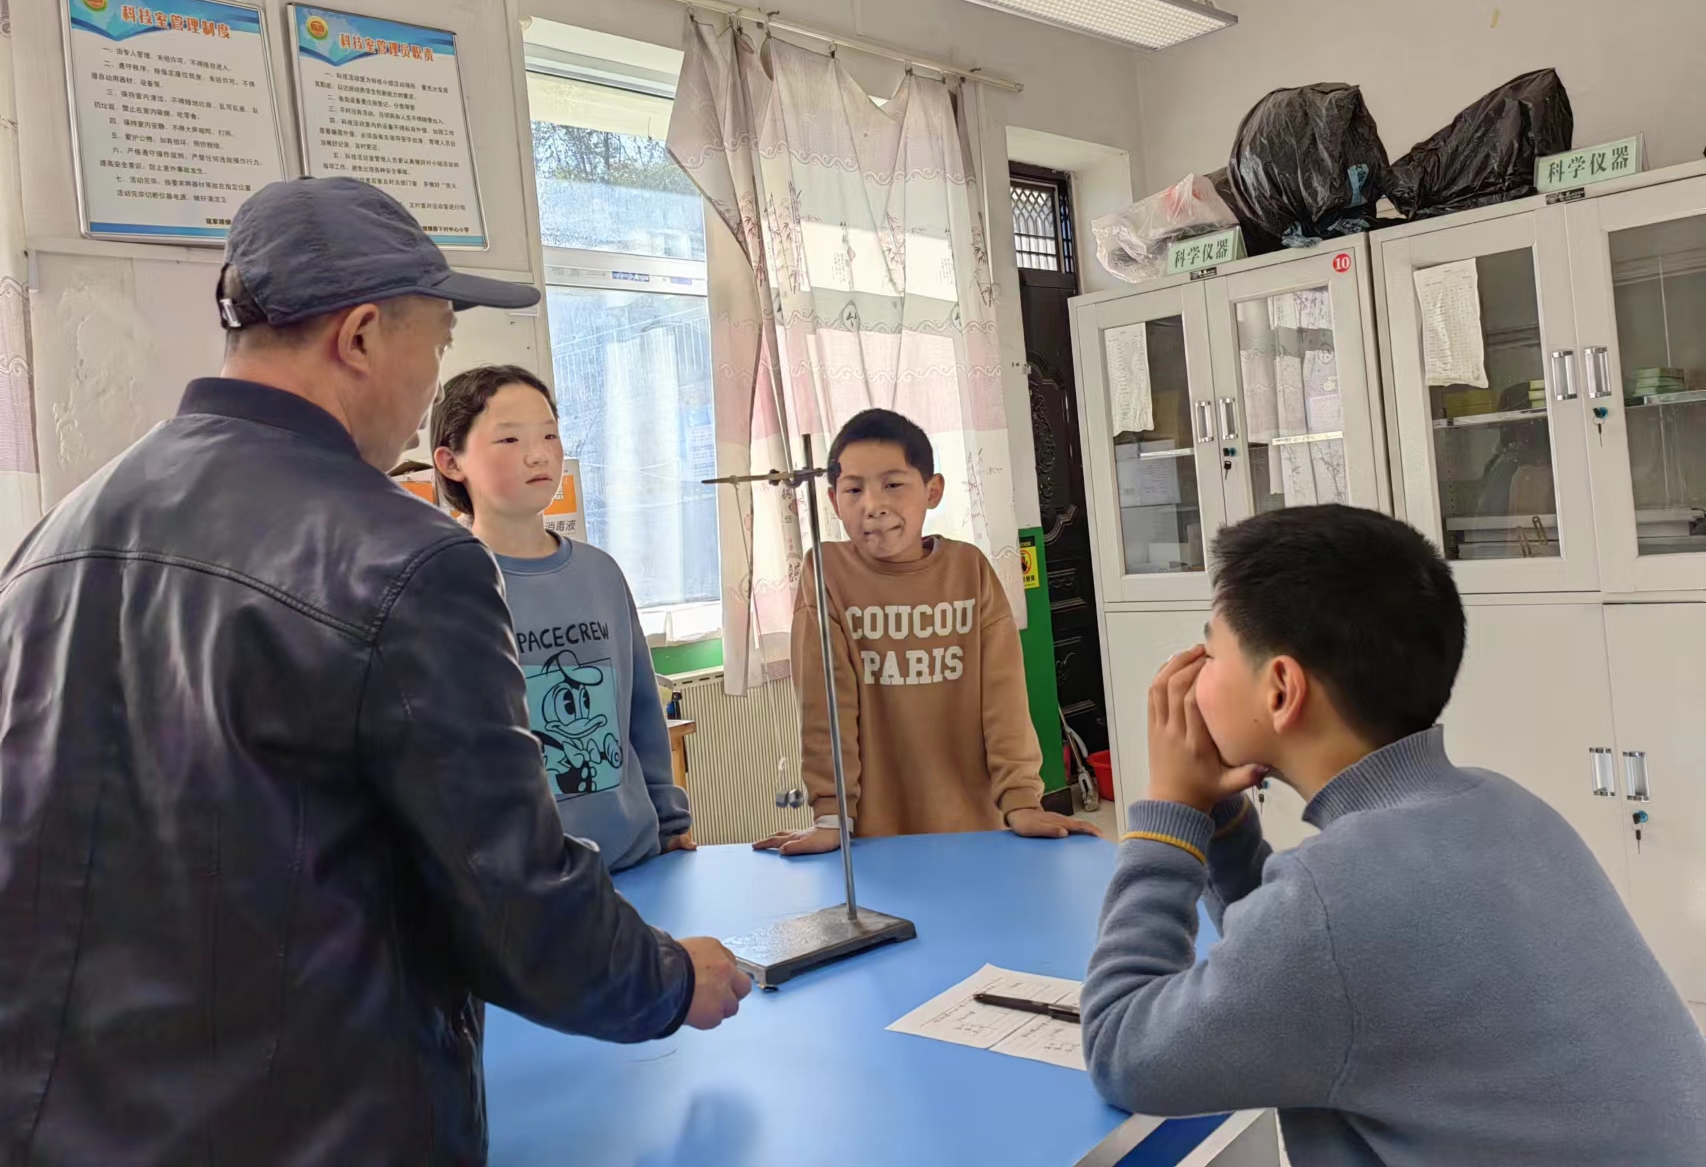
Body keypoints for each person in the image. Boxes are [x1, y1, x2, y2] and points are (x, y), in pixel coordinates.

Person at [0, 178, 749, 1167]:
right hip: (310, 1121)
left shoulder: (58, 535)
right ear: (359, 337)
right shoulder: (403, 557)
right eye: (436, 343)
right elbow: (514, 900)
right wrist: (671, 979)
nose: (430, 384)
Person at [1081, 504, 1706, 1166]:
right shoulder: (1504, 805)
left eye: (1209, 652)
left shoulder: (1334, 903)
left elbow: (1123, 1050)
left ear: (1281, 690)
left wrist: (1171, 808)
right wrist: (1222, 819)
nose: (1190, 676)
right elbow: (1304, 965)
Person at [755, 408, 1099, 855]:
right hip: (873, 839)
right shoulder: (826, 572)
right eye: (854, 489)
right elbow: (825, 709)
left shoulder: (968, 570)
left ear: (932, 490)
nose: (873, 505)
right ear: (834, 501)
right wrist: (831, 815)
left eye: (893, 485)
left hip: (976, 828)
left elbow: (1004, 701)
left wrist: (1022, 802)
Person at [432, 364, 695, 872]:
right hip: (523, 882)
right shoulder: (442, 584)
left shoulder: (600, 573)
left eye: (549, 435)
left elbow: (641, 710)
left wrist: (669, 822)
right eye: (509, 439)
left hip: (634, 858)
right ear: (451, 462)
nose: (538, 454)